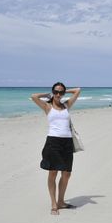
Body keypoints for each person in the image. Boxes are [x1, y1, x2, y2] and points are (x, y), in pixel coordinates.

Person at [31, 83, 81, 215]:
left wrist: (66, 91)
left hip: (67, 142)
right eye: (56, 92)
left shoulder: (66, 105)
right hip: (53, 142)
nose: (58, 95)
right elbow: (33, 96)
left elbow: (78, 90)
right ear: (52, 92)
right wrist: (47, 95)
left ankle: (61, 201)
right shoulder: (47, 106)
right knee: (52, 173)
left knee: (66, 174)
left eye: (61, 92)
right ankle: (54, 204)